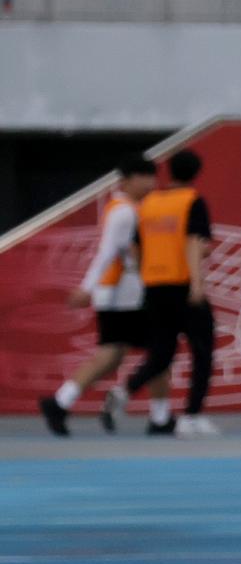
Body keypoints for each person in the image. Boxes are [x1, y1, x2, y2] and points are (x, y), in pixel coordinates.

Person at [40, 155, 154, 437]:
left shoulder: (129, 208)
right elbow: (107, 252)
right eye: (144, 176)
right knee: (152, 351)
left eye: (152, 176)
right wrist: (87, 288)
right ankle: (157, 413)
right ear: (127, 180)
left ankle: (62, 402)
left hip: (123, 292)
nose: (151, 183)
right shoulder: (124, 212)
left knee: (114, 356)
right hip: (120, 294)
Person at [120, 149, 218, 437]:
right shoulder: (192, 201)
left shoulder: (149, 203)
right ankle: (192, 415)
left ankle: (124, 391)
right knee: (202, 351)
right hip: (183, 284)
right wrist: (197, 284)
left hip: (154, 285)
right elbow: (193, 242)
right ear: (196, 173)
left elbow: (135, 247)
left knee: (162, 352)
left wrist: (145, 274)